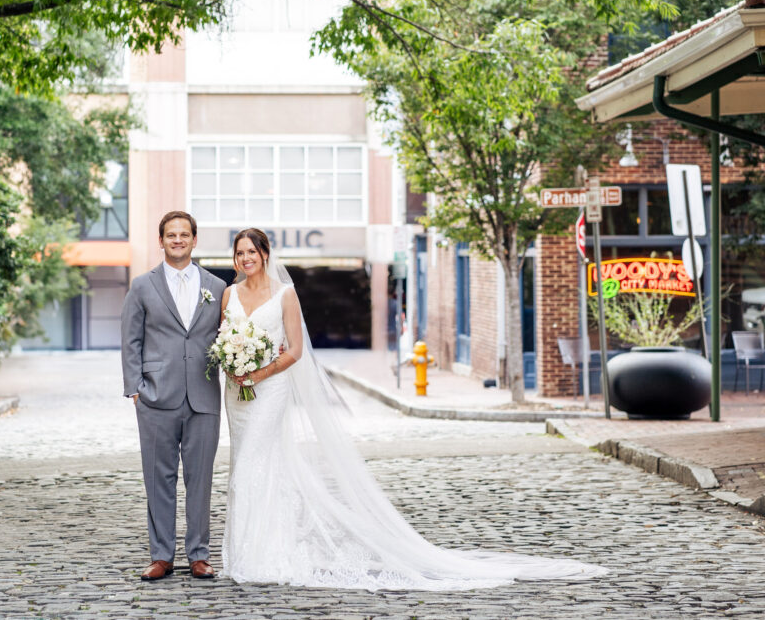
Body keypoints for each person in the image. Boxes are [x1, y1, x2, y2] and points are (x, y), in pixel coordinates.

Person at [219, 228, 607, 590]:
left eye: (252, 251)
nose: (245, 258)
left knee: (258, 463)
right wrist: (234, 366)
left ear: (265, 254)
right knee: (244, 464)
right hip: (237, 395)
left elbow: (297, 351)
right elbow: (224, 339)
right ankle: (244, 552)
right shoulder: (229, 295)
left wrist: (260, 372)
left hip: (269, 392)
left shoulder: (285, 293)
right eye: (239, 253)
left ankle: (266, 553)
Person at [120, 211, 227, 581]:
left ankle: (199, 555)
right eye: (171, 235)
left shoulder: (217, 285)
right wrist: (135, 388)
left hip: (203, 396)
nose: (178, 240)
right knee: (158, 478)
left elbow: (227, 337)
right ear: (161, 241)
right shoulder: (142, 286)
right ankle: (161, 555)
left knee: (200, 479)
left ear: (195, 240)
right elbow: (131, 340)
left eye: (184, 234)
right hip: (155, 398)